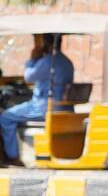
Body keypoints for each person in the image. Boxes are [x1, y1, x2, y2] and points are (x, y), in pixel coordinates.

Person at [1, 34, 74, 167]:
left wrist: (33, 58)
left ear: (45, 44)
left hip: (43, 107)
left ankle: (13, 157)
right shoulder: (66, 61)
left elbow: (28, 77)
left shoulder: (48, 61)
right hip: (65, 108)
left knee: (5, 117)